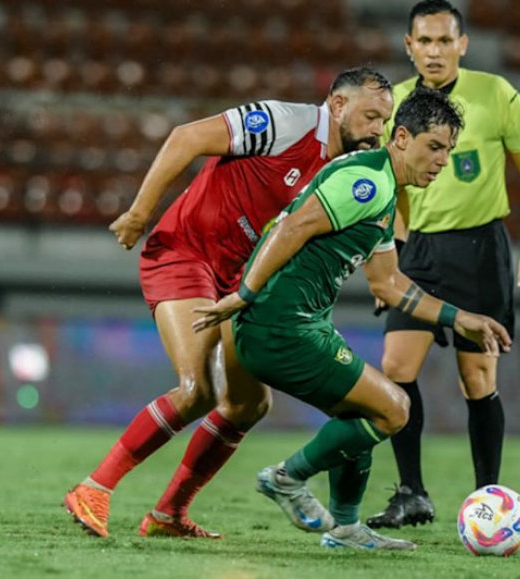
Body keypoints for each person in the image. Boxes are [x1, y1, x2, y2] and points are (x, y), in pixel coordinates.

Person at [63, 67, 394, 539]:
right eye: (370, 116)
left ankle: (168, 514)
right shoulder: (286, 122)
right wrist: (140, 213)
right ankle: (95, 487)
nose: (377, 129)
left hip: (238, 282)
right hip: (185, 251)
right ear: (338, 106)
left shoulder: (348, 171)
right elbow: (187, 137)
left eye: (385, 121)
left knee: (248, 404)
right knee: (196, 386)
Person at [192, 87, 512, 550]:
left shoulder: (383, 188)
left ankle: (344, 528)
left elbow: (389, 285)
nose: (443, 160)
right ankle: (287, 477)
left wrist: (459, 318)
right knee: (393, 408)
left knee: (362, 410)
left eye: (449, 150)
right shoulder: (369, 182)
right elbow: (294, 225)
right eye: (435, 146)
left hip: (296, 322)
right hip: (280, 324)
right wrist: (245, 293)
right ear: (402, 137)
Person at [367, 0, 520, 529]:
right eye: (424, 41)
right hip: (418, 252)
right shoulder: (394, 103)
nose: (434, 51)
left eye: (445, 40)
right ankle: (411, 493)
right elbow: (386, 183)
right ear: (408, 47)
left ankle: (486, 501)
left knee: (478, 378)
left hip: (480, 250)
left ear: (462, 45)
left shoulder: (495, 93)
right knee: (397, 369)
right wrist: (391, 251)